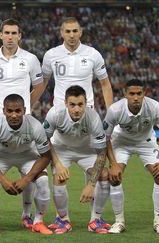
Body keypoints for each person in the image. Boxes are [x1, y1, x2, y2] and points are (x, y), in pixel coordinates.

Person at [0, 18, 44, 228]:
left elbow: (39, 85)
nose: (10, 37)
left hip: (24, 119)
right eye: (6, 33)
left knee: (28, 171)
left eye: (14, 33)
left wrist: (27, 105)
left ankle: (27, 214)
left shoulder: (31, 59)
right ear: (0, 35)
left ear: (20, 36)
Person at [104, 79, 159, 234]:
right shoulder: (115, 110)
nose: (136, 97)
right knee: (115, 176)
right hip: (121, 142)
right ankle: (119, 221)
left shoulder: (154, 107)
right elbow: (104, 138)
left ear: (145, 94)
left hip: (146, 141)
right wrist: (114, 163)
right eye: (132, 94)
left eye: (139, 93)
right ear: (125, 94)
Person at [0, 94, 52, 235]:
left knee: (43, 180)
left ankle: (38, 221)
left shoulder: (35, 126)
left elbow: (46, 156)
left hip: (27, 155)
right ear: (4, 111)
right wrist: (3, 180)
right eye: (10, 111)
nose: (14, 115)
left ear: (24, 110)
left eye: (18, 111)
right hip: (1, 155)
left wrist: (26, 179)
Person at [43, 85, 109, 234]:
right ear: (66, 103)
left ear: (86, 103)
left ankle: (95, 220)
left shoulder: (93, 118)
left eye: (80, 104)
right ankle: (63, 220)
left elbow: (101, 152)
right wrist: (58, 165)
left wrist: (91, 185)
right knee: (59, 178)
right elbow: (44, 140)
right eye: (72, 105)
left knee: (104, 175)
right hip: (61, 149)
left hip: (86, 151)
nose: (77, 109)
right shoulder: (55, 114)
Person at [41, 17, 113, 110]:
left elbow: (105, 84)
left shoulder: (93, 54)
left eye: (75, 31)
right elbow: (42, 83)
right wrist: (30, 105)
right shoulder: (51, 55)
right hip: (60, 111)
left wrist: (111, 113)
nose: (71, 35)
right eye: (68, 31)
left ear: (80, 32)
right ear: (62, 33)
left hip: (86, 111)